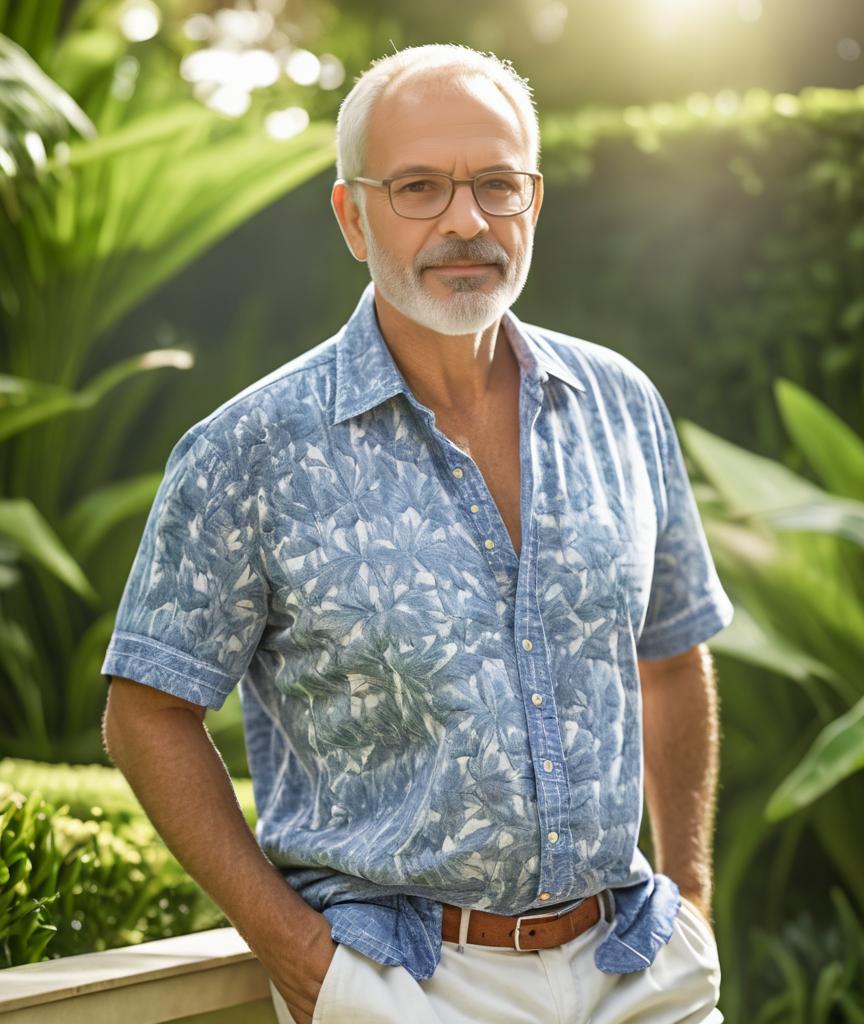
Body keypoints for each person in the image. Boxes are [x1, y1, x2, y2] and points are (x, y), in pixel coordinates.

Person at [100, 42, 734, 1024]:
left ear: (534, 200)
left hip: (638, 969)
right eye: (419, 187)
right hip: (404, 985)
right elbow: (145, 714)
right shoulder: (250, 449)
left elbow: (671, 650)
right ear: (353, 216)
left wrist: (690, 896)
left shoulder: (622, 404)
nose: (466, 221)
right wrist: (302, 957)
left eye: (495, 184)